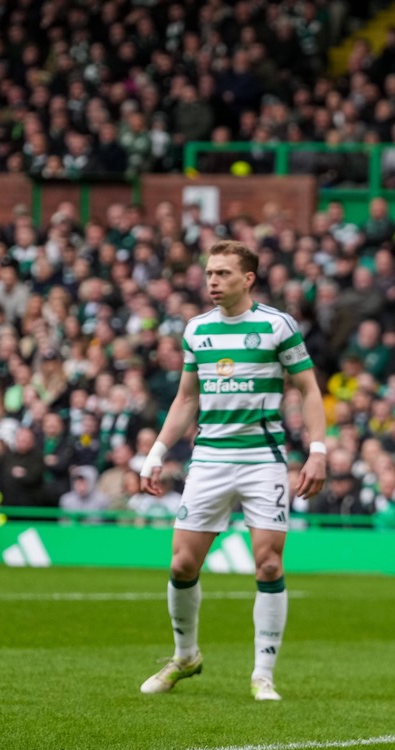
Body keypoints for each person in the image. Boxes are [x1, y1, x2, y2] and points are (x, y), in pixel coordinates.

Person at [138, 240, 327, 701]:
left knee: (267, 563)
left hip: (263, 458)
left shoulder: (277, 326)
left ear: (248, 279)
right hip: (209, 459)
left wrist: (318, 450)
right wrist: (157, 452)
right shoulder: (197, 331)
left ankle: (263, 673)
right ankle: (185, 655)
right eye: (208, 274)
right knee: (182, 563)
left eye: (222, 273)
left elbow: (308, 388)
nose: (212, 282)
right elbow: (186, 399)